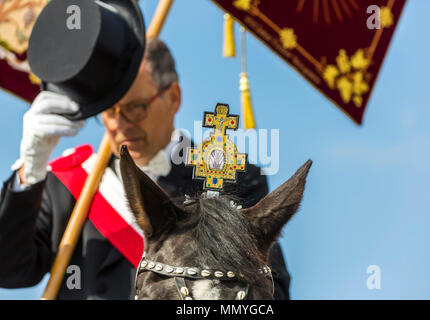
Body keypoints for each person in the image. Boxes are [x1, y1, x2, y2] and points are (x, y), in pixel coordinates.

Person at [0, 38, 291, 299]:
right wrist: (31, 168)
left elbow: (270, 290)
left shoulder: (232, 179)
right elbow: (9, 271)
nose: (121, 124)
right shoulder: (65, 181)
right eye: (111, 110)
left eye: (136, 107)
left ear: (173, 98)